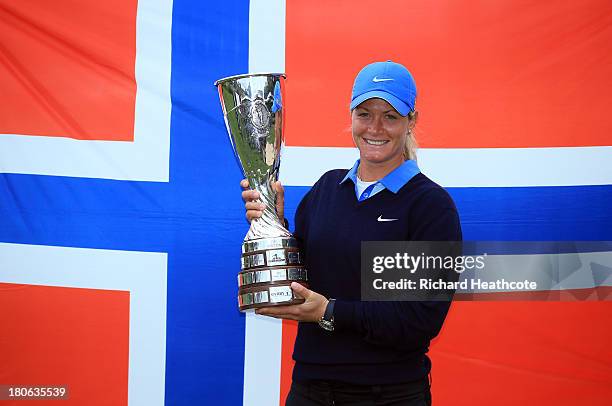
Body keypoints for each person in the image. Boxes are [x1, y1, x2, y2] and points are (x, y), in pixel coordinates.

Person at [241, 61, 462, 405]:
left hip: (388, 394)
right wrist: (274, 224)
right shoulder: (328, 188)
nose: (375, 127)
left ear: (411, 122)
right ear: (351, 117)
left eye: (390, 116)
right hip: (310, 389)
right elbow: (301, 276)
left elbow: (419, 319)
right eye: (364, 114)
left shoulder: (429, 206)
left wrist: (329, 313)